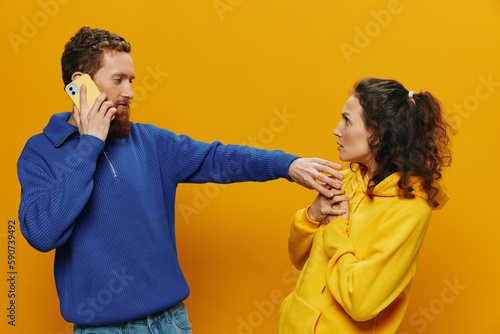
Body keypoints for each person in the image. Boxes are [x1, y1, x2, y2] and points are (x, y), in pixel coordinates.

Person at [16, 27, 345, 333]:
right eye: (118, 80)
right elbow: (43, 233)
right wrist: (90, 144)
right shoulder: (42, 152)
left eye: (131, 80)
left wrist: (289, 165)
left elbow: (219, 158)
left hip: (170, 323)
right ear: (81, 84)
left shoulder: (150, 142)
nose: (129, 92)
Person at [278, 78, 454, 333]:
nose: (336, 130)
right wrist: (312, 216)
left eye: (347, 120)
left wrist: (336, 227)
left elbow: (361, 302)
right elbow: (299, 259)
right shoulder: (347, 181)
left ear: (377, 134)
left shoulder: (410, 210)